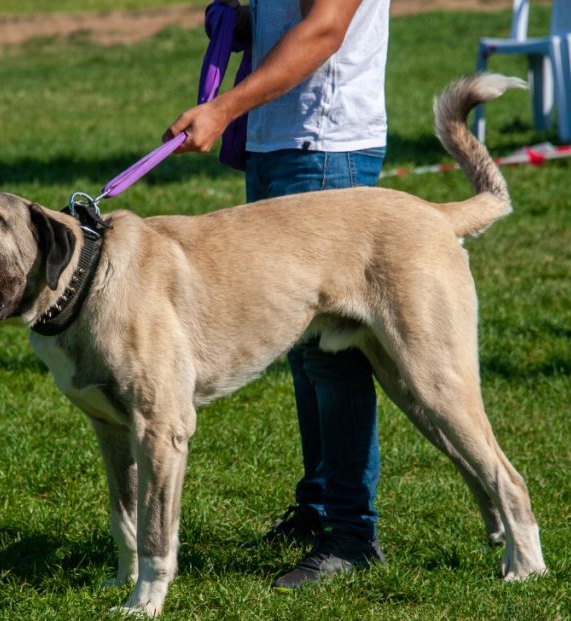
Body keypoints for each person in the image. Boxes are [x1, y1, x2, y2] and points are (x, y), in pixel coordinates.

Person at [164, 0, 391, 590]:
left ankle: (351, 535)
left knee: (332, 355)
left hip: (324, 146)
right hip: (278, 143)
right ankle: (320, 508)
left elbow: (322, 31)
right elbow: (289, 21)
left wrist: (222, 108)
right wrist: (243, 24)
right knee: (303, 342)